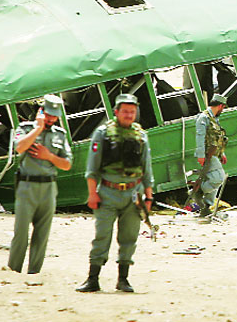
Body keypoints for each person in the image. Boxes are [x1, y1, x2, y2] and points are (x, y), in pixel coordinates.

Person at [76, 94, 153, 293]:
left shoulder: (141, 135)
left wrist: (149, 196)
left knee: (129, 237)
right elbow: (92, 167)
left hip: (133, 194)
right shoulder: (102, 133)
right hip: (108, 192)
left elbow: (147, 168)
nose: (129, 115)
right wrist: (92, 194)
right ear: (116, 112)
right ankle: (93, 279)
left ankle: (123, 279)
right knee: (102, 236)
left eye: (132, 111)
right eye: (125, 111)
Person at [8, 95, 72, 274]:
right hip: (26, 186)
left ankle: (34, 272)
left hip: (48, 188)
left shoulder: (60, 134)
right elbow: (19, 147)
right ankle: (13, 271)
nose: (51, 119)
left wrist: (49, 156)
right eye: (48, 114)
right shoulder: (25, 129)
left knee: (42, 235)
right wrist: (38, 129)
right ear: (41, 112)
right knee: (21, 234)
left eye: (54, 116)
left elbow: (67, 164)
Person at [193, 94, 228, 216]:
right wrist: (201, 155)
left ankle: (206, 206)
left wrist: (222, 154)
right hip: (208, 155)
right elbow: (200, 137)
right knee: (218, 178)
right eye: (222, 108)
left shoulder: (214, 119)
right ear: (220, 106)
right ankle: (199, 190)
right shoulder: (203, 118)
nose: (222, 110)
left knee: (214, 180)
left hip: (215, 154)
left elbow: (218, 138)